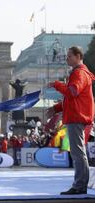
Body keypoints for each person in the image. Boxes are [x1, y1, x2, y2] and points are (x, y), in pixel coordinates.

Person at [47, 46, 95, 195]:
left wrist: (57, 85)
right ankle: (80, 184)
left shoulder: (79, 73)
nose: (67, 59)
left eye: (69, 56)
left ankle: (79, 185)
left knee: (78, 152)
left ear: (78, 56)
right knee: (78, 152)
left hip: (77, 116)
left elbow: (72, 92)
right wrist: (56, 108)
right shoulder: (80, 72)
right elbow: (72, 97)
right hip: (77, 115)